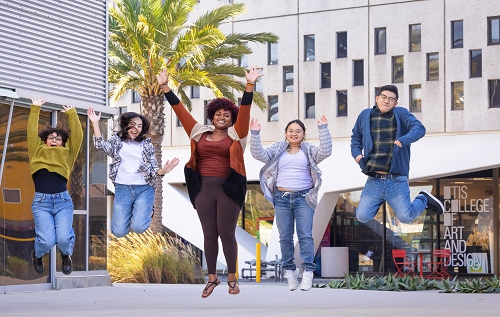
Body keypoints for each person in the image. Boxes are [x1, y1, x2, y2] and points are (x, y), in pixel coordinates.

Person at [156, 66, 263, 298]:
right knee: (208, 234)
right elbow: (179, 110)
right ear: (211, 116)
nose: (222, 117)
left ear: (231, 119)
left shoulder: (238, 135)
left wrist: (249, 85)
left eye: (227, 115)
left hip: (228, 189)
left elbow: (245, 109)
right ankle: (212, 278)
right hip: (203, 188)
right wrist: (165, 87)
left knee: (226, 233)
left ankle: (232, 278)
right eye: (218, 114)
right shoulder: (197, 132)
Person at [250, 116, 332, 291]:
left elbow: (325, 151)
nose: (294, 134)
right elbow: (259, 154)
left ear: (303, 134)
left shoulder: (308, 150)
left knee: (305, 235)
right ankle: (289, 271)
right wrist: (255, 133)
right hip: (282, 198)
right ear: (286, 134)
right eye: (291, 131)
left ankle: (308, 271)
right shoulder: (278, 148)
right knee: (285, 237)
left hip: (304, 198)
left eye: (298, 131)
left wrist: (323, 129)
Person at [350, 84, 444, 227]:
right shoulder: (365, 115)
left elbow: (420, 128)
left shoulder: (400, 113)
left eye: (391, 99)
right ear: (377, 98)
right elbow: (356, 136)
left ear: (396, 103)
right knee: (362, 216)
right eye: (383, 97)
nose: (386, 101)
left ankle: (423, 199)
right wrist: (357, 154)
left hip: (396, 180)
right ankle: (380, 199)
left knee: (406, 217)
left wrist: (403, 140)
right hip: (374, 180)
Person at [88, 109, 179, 238]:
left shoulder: (147, 145)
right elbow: (100, 145)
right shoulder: (117, 141)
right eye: (133, 124)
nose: (136, 128)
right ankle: (135, 211)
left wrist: (163, 171)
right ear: (126, 126)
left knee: (139, 227)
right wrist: (95, 123)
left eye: (140, 126)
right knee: (118, 232)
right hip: (123, 188)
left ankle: (146, 210)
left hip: (144, 188)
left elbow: (153, 170)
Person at [28, 97, 83, 275]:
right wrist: (35, 108)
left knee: (64, 238)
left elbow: (78, 137)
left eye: (58, 138)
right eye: (51, 137)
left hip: (62, 201)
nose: (54, 139)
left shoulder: (67, 154)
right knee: (46, 241)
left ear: (63, 143)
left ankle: (66, 255)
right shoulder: (36, 151)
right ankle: (37, 255)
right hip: (41, 203)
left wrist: (72, 114)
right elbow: (30, 132)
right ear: (45, 141)